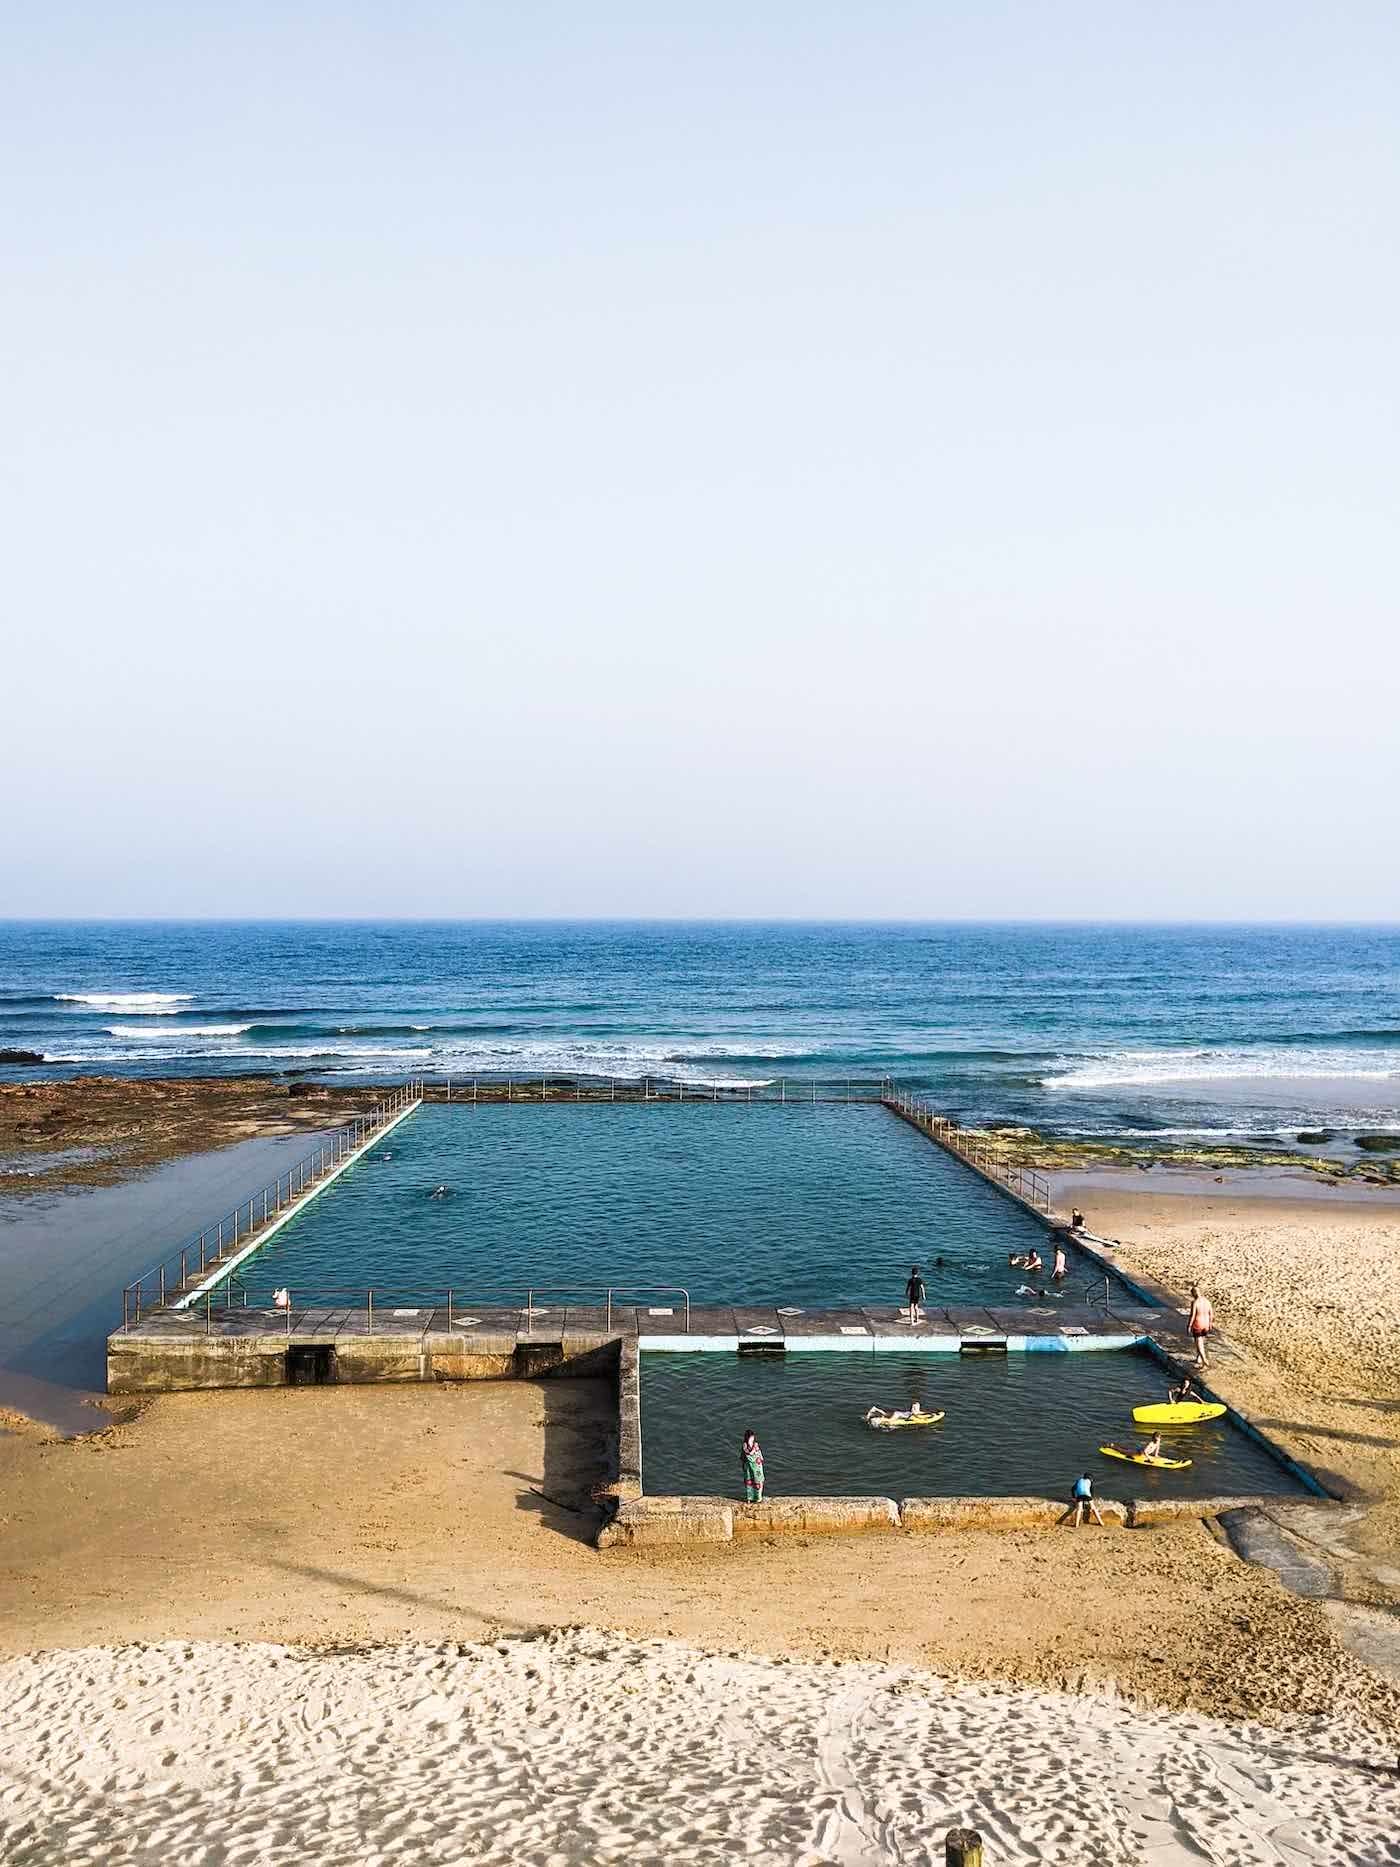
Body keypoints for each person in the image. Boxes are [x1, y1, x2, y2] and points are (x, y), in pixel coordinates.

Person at [1188, 1285, 1214, 1368]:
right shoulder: (1207, 1301)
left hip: (1198, 1323)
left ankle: (1204, 1360)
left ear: (1193, 1294)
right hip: (1206, 1323)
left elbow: (1192, 1315)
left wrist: (1189, 1325)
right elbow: (1211, 1314)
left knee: (1198, 1343)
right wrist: (1210, 1323)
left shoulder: (1195, 1302)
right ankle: (1198, 1358)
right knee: (1202, 1340)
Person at [741, 1429, 765, 1503]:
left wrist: (759, 1460)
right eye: (751, 1437)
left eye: (753, 1437)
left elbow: (759, 1454)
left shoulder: (756, 1444)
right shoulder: (745, 1445)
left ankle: (758, 1498)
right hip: (748, 1467)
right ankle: (750, 1498)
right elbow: (749, 1454)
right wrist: (753, 1450)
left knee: (758, 1481)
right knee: (749, 1482)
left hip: (757, 1467)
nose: (752, 1439)